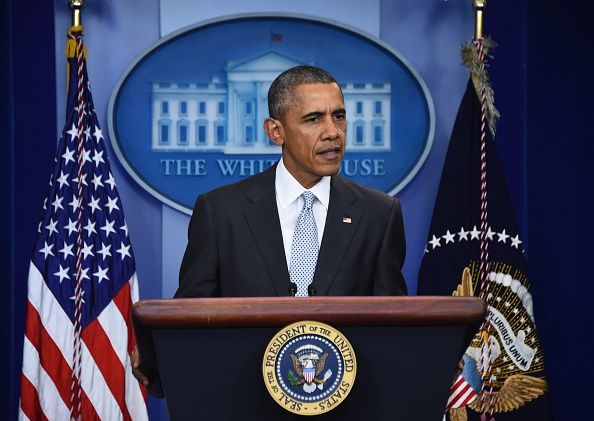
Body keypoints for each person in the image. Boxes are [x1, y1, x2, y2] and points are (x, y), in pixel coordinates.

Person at [132, 65, 407, 386]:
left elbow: (392, 325)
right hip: (245, 400)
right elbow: (193, 315)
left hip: (346, 401)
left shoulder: (379, 213)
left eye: (339, 116)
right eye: (314, 118)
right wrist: (159, 363)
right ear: (276, 131)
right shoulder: (221, 212)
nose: (333, 131)